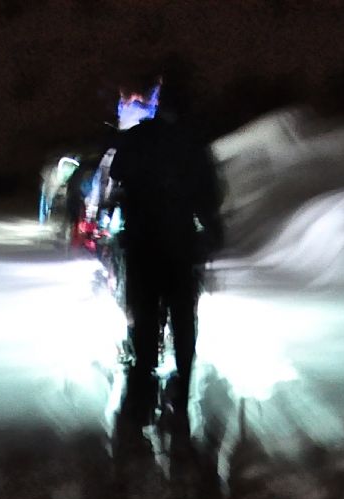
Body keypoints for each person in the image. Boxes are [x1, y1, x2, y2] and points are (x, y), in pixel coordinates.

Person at [105, 74, 224, 445]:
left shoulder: (137, 138)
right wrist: (211, 231)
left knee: (145, 324)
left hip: (142, 246)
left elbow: (117, 176)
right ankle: (181, 400)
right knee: (183, 323)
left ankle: (140, 404)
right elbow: (210, 195)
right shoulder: (193, 144)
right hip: (180, 247)